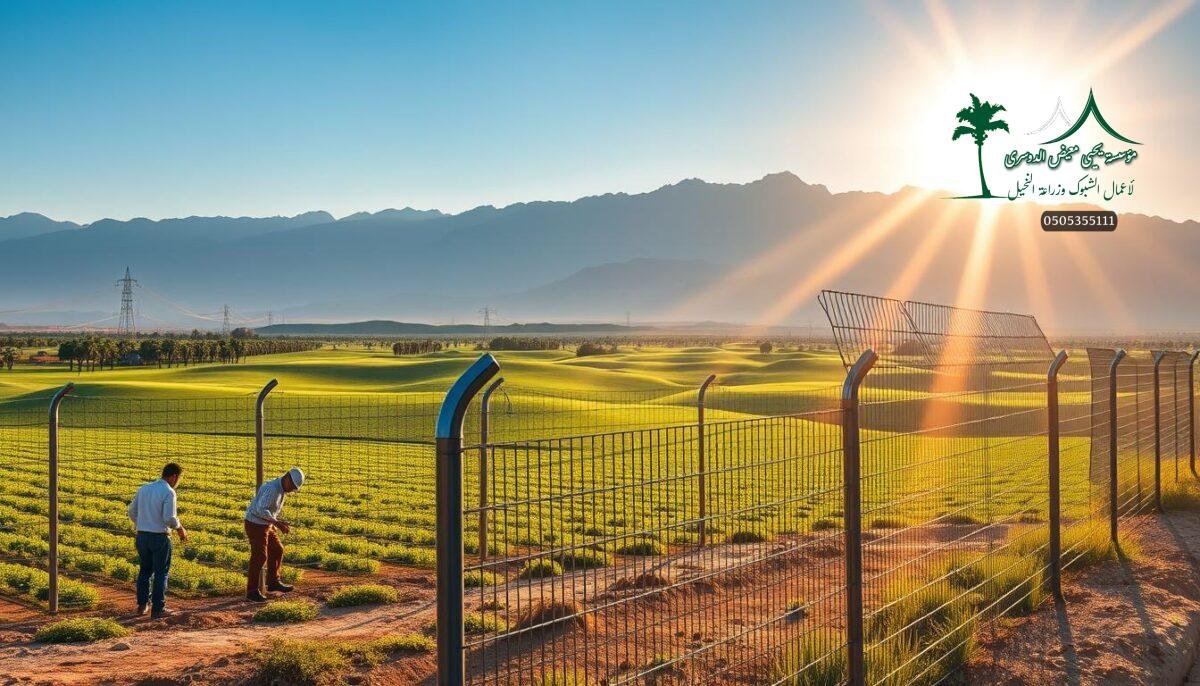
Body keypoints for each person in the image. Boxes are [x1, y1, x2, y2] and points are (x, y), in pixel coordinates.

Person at [127, 462, 188, 619]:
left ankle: (142, 606)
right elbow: (169, 518)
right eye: (179, 478)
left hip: (142, 536)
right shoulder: (169, 492)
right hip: (159, 537)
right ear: (174, 476)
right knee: (161, 572)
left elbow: (131, 511)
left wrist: (143, 523)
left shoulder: (144, 488)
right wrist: (180, 528)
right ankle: (158, 609)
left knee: (145, 571)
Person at [244, 466, 304, 602]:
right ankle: (252, 591)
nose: (292, 490)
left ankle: (273, 582)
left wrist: (277, 522)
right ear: (287, 477)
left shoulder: (281, 488)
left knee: (277, 550)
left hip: (265, 524)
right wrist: (277, 523)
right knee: (259, 556)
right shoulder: (273, 489)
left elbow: (268, 512)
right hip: (255, 524)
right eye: (293, 486)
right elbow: (260, 510)